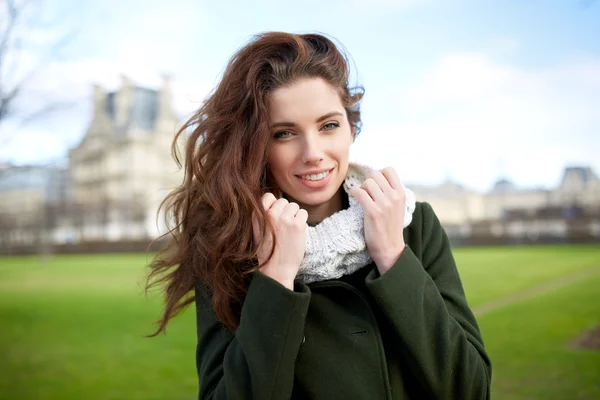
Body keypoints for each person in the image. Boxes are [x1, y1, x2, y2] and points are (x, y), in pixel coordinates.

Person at [146, 31, 492, 399]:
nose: (312, 153)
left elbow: (470, 389)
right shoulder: (230, 246)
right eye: (284, 133)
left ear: (351, 128)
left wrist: (393, 257)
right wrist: (276, 277)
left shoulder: (411, 223)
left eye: (328, 125)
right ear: (255, 147)